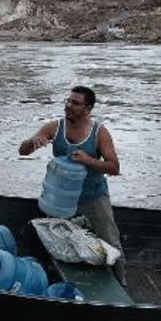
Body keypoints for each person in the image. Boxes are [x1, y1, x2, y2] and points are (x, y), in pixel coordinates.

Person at [19, 85, 126, 284]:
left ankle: (121, 282)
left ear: (88, 109)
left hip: (93, 197)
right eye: (68, 101)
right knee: (57, 243)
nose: (68, 106)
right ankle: (59, 282)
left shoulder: (99, 133)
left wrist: (88, 160)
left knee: (111, 241)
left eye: (75, 103)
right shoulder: (54, 127)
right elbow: (22, 151)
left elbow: (114, 167)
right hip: (59, 200)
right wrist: (34, 140)